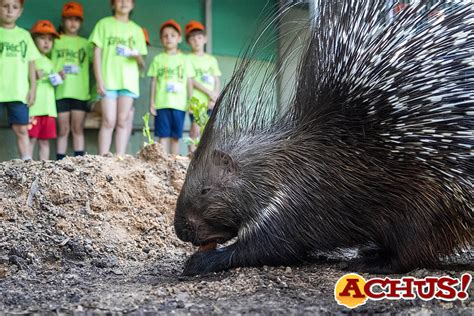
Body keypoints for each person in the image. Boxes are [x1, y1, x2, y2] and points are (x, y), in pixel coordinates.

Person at [89, 0, 147, 155]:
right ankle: (103, 159)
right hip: (108, 80)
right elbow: (96, 52)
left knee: (122, 120)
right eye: (119, 0)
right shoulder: (104, 24)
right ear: (112, 4)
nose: (123, 2)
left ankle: (119, 158)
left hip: (128, 82)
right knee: (109, 120)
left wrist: (136, 55)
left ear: (133, 4)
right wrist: (99, 79)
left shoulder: (136, 30)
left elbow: (142, 63)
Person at [0, 0, 41, 160]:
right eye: (5, 6)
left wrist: (33, 88)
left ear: (20, 12)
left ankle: (27, 164)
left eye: (14, 7)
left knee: (22, 129)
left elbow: (32, 63)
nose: (10, 11)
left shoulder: (24, 35)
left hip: (18, 91)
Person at [148, 19, 195, 155]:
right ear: (162, 39)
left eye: (173, 35)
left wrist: (190, 102)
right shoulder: (158, 59)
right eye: (165, 35)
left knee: (176, 136)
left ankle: (173, 161)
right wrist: (152, 102)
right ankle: (163, 163)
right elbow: (154, 82)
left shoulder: (185, 59)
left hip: (179, 105)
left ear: (179, 38)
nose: (169, 38)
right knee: (163, 135)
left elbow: (189, 82)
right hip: (162, 103)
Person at [52, 2, 92, 160]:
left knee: (77, 129)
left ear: (81, 22)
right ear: (63, 21)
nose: (72, 22)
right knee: (63, 129)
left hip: (80, 92)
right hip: (61, 91)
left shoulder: (86, 43)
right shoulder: (55, 40)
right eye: (69, 19)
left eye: (76, 19)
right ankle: (59, 164)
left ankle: (80, 164)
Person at [185, 20, 221, 152]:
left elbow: (216, 79)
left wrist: (214, 96)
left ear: (205, 39)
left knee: (207, 129)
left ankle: (203, 156)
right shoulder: (187, 58)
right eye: (192, 38)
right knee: (195, 128)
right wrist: (208, 92)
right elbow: (192, 80)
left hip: (210, 101)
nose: (196, 41)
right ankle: (191, 154)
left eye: (199, 37)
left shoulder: (211, 60)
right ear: (188, 41)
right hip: (197, 100)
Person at [29, 20, 60, 160]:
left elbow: (55, 84)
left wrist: (59, 78)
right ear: (34, 40)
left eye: (50, 39)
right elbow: (24, 79)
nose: (46, 43)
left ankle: (44, 170)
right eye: (42, 38)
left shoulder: (50, 62)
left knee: (45, 141)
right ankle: (26, 168)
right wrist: (34, 75)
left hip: (49, 108)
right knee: (31, 139)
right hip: (33, 108)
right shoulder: (31, 60)